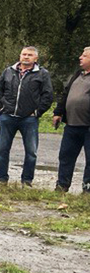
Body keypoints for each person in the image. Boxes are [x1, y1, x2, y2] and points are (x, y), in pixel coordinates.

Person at [0, 46, 53, 186]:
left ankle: (26, 180)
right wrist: (0, 109)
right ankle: (2, 178)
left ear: (36, 58)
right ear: (20, 56)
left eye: (30, 55)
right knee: (2, 149)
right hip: (8, 116)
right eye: (24, 54)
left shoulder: (42, 74)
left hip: (29, 119)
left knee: (31, 152)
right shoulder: (8, 71)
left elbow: (47, 95)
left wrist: (37, 113)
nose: (26, 57)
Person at [52, 46, 90, 193]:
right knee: (65, 156)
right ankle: (62, 185)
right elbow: (65, 94)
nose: (80, 57)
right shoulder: (77, 74)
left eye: (84, 56)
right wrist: (58, 112)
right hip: (72, 125)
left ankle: (87, 189)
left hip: (88, 126)